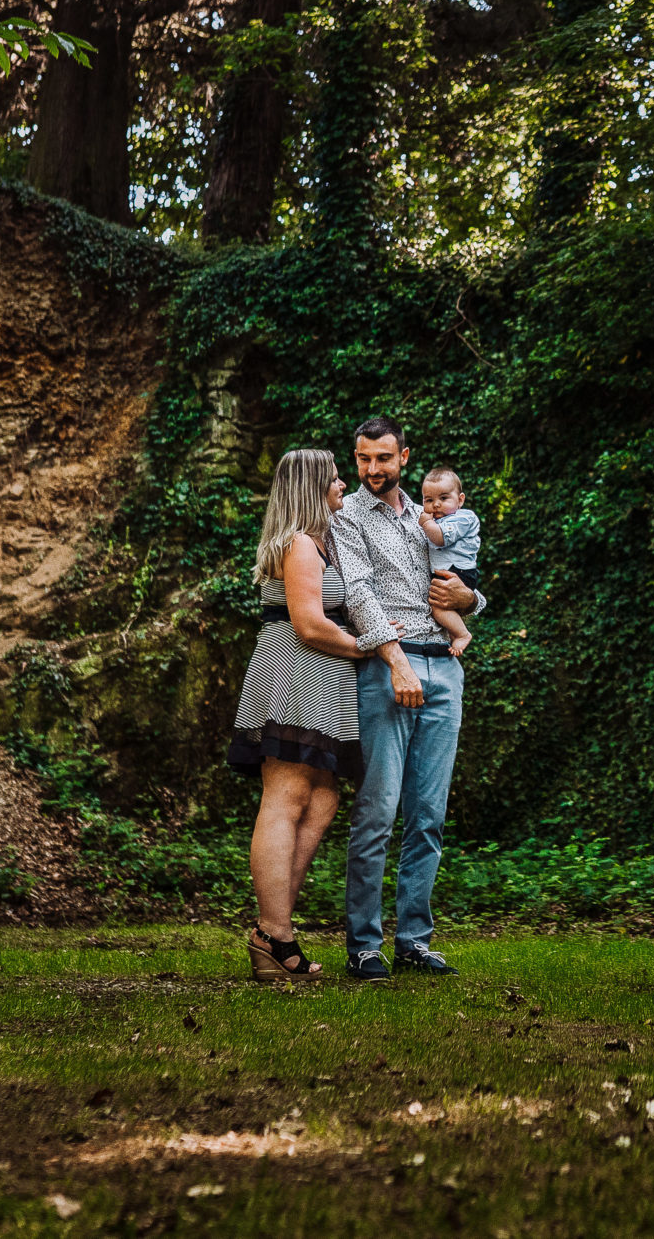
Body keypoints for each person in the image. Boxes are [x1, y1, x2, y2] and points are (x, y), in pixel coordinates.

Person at [326, 416, 484, 981]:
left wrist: (472, 600)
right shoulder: (346, 518)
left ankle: (415, 939)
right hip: (387, 668)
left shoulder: (432, 514)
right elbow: (357, 593)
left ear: (404, 458)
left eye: (383, 459)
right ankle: (364, 945)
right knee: (377, 811)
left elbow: (460, 579)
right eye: (364, 459)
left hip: (446, 665)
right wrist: (394, 662)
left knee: (428, 817)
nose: (373, 470)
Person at [227, 449, 364, 982]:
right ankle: (273, 933)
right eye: (334, 479)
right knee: (285, 797)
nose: (342, 486)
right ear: (311, 486)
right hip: (294, 675)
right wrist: (376, 647)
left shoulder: (322, 542)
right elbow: (308, 625)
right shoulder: (300, 544)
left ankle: (276, 927)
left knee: (323, 798)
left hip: (325, 685)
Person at [416, 468, 482, 657]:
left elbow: (440, 539)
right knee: (438, 606)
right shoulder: (437, 520)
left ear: (460, 500)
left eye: (444, 498)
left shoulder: (462, 518)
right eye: (429, 500)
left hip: (458, 573)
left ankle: (462, 633)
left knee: (438, 607)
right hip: (446, 572)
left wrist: (427, 524)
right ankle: (457, 632)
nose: (436, 505)